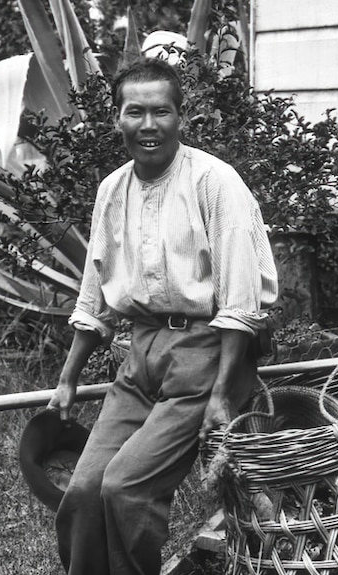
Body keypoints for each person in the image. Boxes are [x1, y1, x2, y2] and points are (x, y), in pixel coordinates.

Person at [47, 56, 278, 575]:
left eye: (161, 112)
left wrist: (222, 396)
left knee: (126, 486)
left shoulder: (215, 183)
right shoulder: (112, 190)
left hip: (206, 354)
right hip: (141, 355)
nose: (148, 126)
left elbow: (242, 302)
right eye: (135, 112)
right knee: (85, 491)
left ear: (181, 118)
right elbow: (95, 297)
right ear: (116, 119)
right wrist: (67, 381)